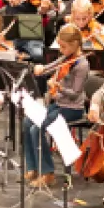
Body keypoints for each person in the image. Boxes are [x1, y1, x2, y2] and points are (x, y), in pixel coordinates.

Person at [24, 24, 89, 188]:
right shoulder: (67, 58)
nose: (61, 49)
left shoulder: (82, 65)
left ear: (75, 45)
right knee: (27, 122)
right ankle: (33, 167)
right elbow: (51, 67)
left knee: (36, 128)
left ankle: (48, 172)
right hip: (59, 104)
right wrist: (40, 69)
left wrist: (58, 88)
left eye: (63, 46)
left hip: (72, 109)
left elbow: (75, 93)